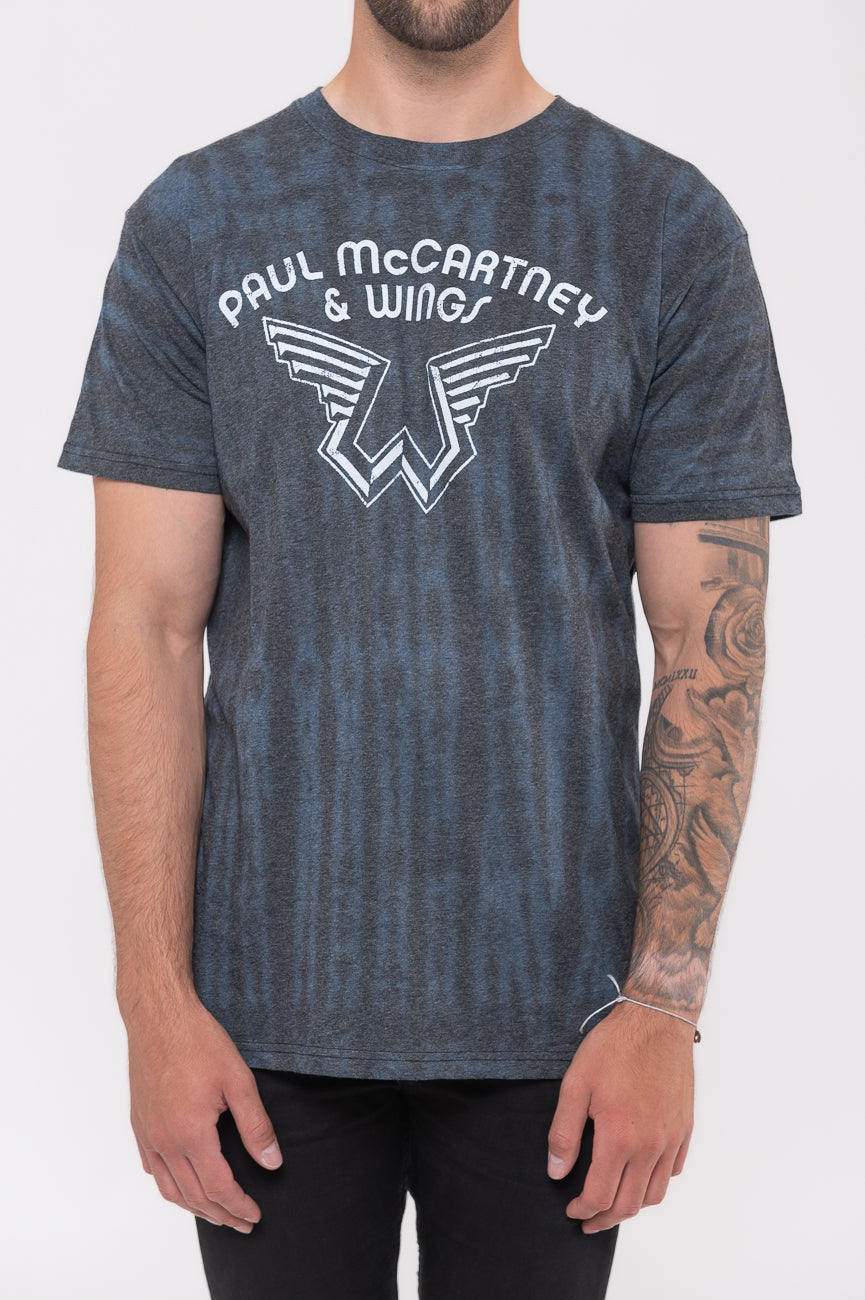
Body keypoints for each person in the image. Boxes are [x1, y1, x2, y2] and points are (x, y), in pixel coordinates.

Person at [57, 1, 802, 1296]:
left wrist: (662, 1004)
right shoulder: (197, 219)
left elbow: (709, 639)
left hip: (562, 1025)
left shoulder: (666, 227)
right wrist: (154, 1008)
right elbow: (146, 627)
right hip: (261, 1019)